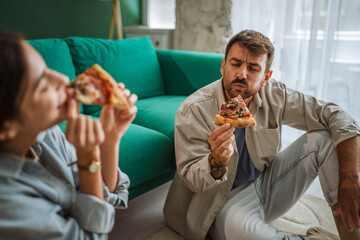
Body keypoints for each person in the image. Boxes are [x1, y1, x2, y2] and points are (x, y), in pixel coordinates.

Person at [163, 29, 360, 240]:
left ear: (266, 77)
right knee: (248, 234)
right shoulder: (194, 109)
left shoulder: (275, 94)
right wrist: (216, 162)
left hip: (265, 184)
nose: (242, 74)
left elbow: (335, 115)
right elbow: (191, 178)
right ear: (223, 65)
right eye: (235, 63)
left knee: (325, 140)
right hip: (218, 201)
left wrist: (350, 177)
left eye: (253, 68)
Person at [0, 30, 138, 239]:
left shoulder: (46, 134)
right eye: (42, 84)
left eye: (46, 68)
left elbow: (102, 197)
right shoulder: (8, 205)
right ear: (5, 127)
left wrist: (109, 141)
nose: (64, 79)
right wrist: (88, 158)